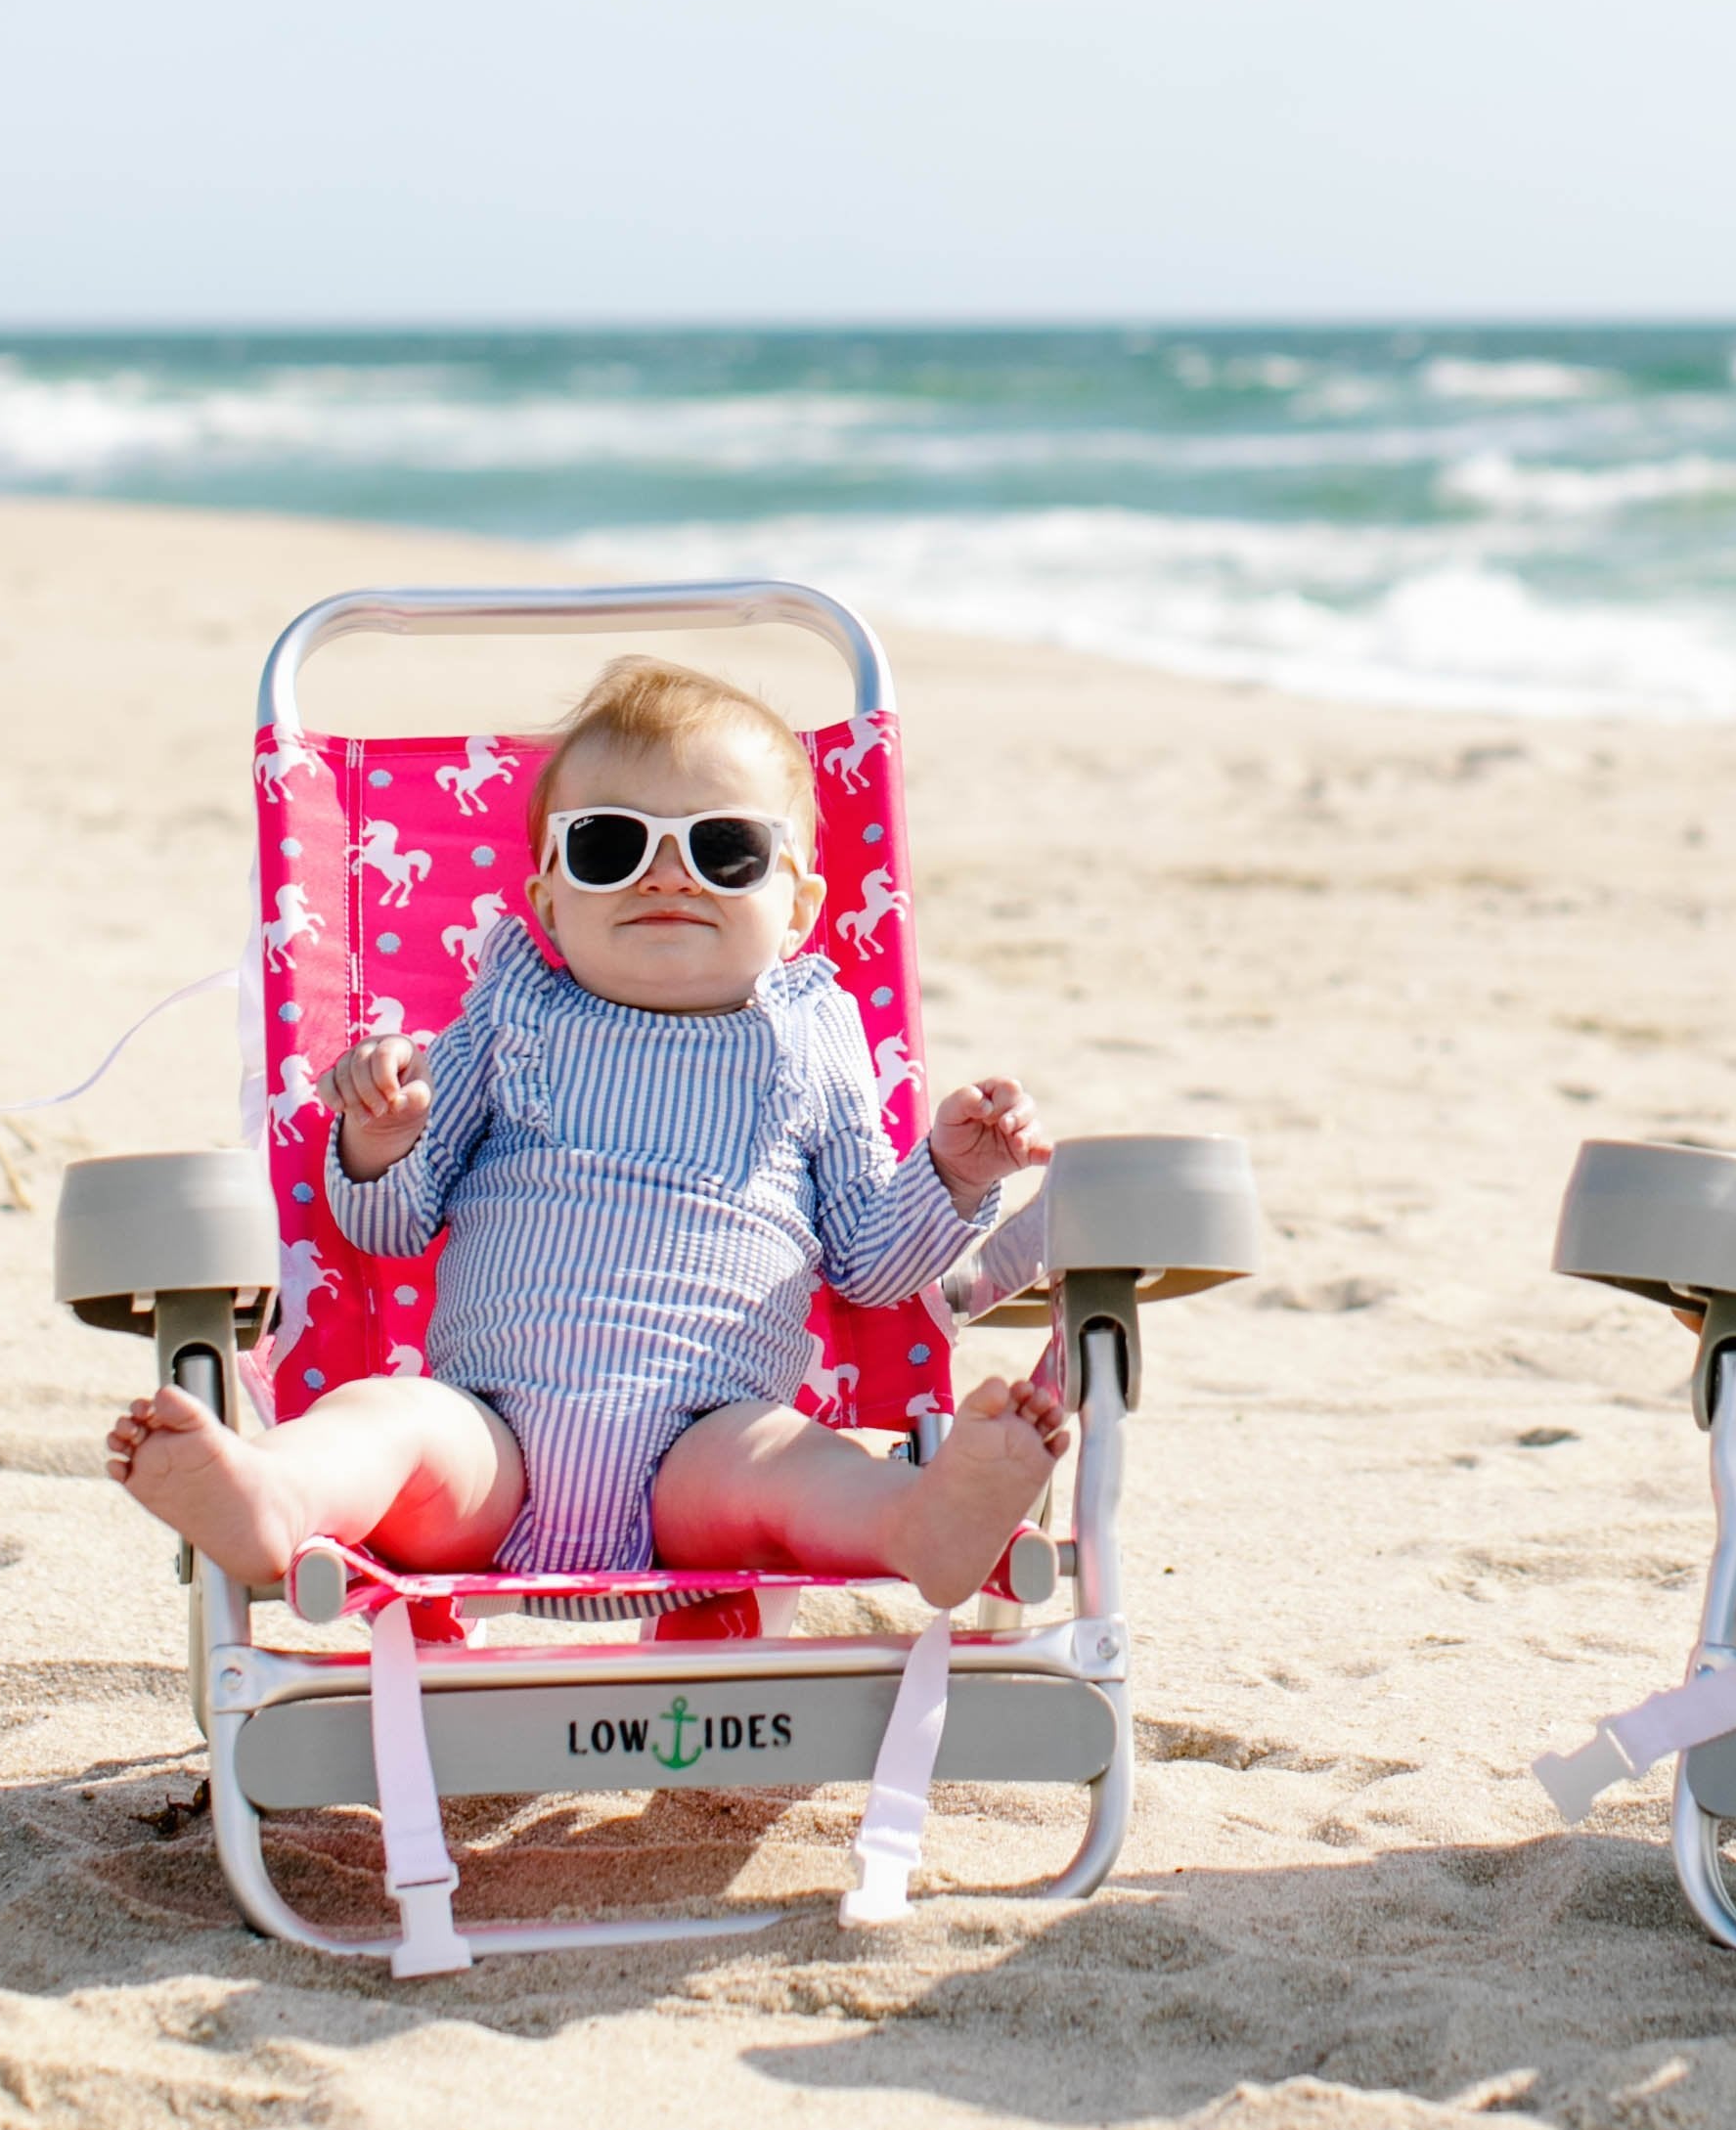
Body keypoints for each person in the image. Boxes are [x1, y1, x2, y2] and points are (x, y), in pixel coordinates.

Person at [107, 657, 1065, 1609]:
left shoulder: (814, 1030)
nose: (664, 873)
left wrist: (950, 1171)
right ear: (550, 900)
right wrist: (381, 1135)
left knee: (794, 1463)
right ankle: (277, 1495)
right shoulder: (507, 1010)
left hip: (704, 1445)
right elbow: (389, 1226)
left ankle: (918, 1523)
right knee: (385, 1418)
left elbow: (867, 1261)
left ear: (799, 908)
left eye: (724, 847)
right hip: (489, 1444)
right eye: (609, 844)